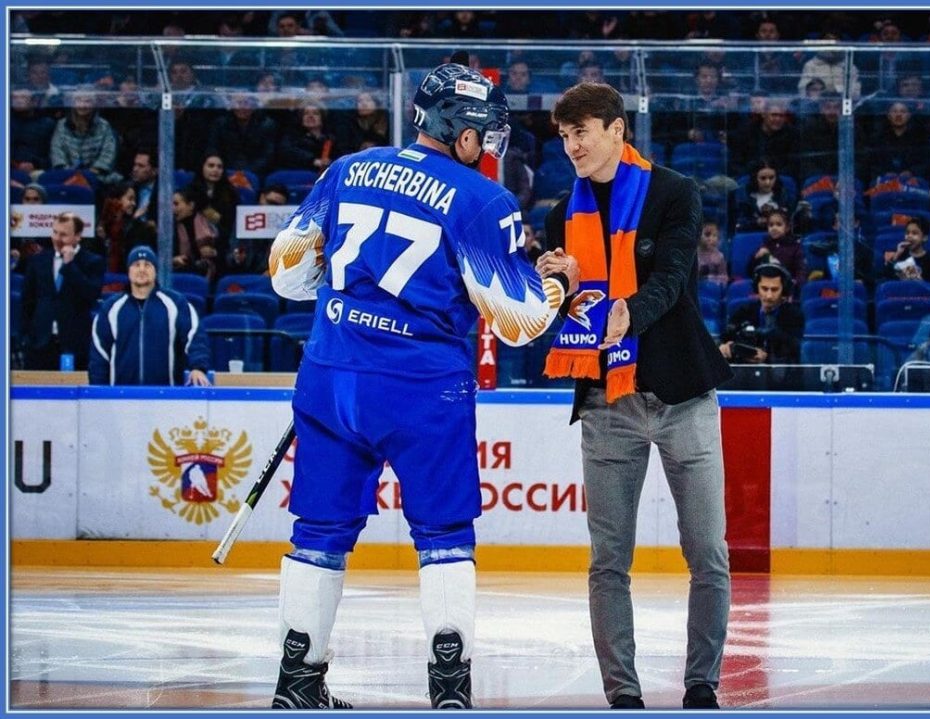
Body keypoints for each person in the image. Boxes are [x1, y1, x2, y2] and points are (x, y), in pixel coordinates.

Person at [266, 62, 579, 710]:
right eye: (483, 132)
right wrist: (558, 285)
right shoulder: (481, 200)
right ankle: (449, 694)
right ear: (460, 133)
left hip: (330, 373)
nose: (488, 144)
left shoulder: (347, 170)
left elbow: (285, 275)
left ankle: (296, 686)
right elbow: (518, 324)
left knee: (316, 533)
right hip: (421, 387)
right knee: (443, 536)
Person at [537, 81, 732, 710]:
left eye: (581, 132)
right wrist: (549, 284)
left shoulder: (674, 192)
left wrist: (629, 314)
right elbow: (560, 313)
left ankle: (701, 686)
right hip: (605, 404)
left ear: (617, 129)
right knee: (608, 562)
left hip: (683, 396)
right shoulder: (557, 214)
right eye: (564, 136)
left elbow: (674, 278)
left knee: (708, 553)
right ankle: (624, 698)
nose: (571, 147)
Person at [88, 246, 212, 386]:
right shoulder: (110, 309)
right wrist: (98, 392)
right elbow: (99, 354)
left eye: (147, 265)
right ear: (128, 271)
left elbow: (195, 337)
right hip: (120, 399)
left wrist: (198, 367)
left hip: (166, 398)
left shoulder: (176, 304)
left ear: (155, 271)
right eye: (136, 265)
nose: (141, 269)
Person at [19, 212, 104, 370]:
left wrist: (70, 266)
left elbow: (91, 296)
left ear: (78, 236)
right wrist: (27, 335)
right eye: (55, 232)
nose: (57, 238)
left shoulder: (92, 262)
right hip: (40, 344)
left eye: (63, 234)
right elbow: (27, 301)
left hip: (75, 344)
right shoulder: (38, 261)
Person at [719, 262, 804, 364]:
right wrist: (724, 346)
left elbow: (793, 350)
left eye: (774, 290)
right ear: (756, 288)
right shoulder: (743, 311)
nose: (769, 295)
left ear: (784, 290)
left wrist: (766, 358)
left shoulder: (794, 315)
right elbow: (724, 338)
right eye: (764, 289)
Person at [745, 208, 807, 291]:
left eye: (778, 224)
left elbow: (801, 270)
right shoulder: (765, 245)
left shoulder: (795, 247)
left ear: (787, 228)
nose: (774, 228)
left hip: (786, 287)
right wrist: (756, 257)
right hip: (766, 285)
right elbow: (750, 271)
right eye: (771, 225)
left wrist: (795, 283)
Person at [883, 216, 930, 283]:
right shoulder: (900, 254)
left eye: (914, 233)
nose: (909, 236)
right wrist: (897, 255)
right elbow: (887, 277)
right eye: (907, 233)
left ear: (924, 238)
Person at [697, 220, 728, 285]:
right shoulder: (694, 255)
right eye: (707, 235)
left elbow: (725, 278)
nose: (711, 238)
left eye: (714, 235)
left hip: (713, 288)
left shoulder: (719, 256)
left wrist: (710, 278)